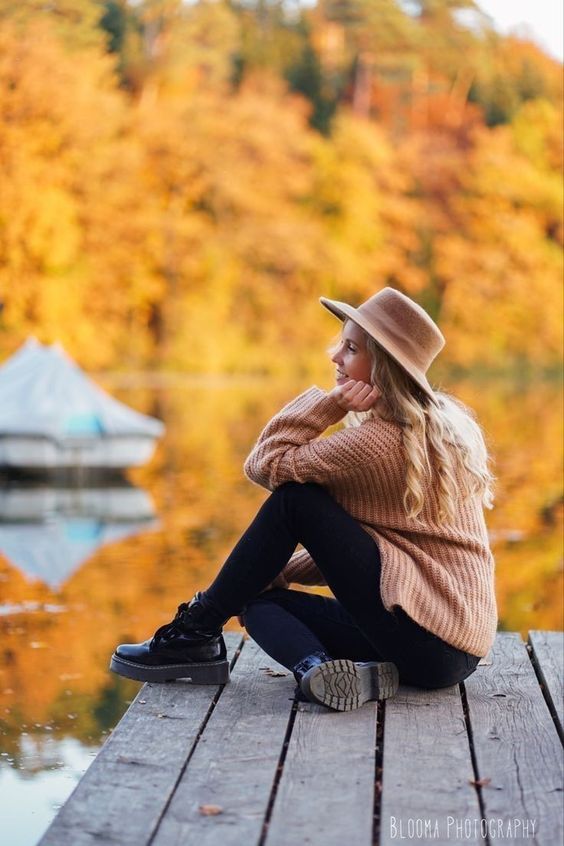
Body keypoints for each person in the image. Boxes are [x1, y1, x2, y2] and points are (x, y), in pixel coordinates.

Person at [110, 287, 498, 712]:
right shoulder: (439, 434)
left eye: (350, 349)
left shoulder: (374, 443)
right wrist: (276, 572)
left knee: (294, 499)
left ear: (383, 366)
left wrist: (328, 406)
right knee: (255, 599)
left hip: (421, 634)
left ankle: (194, 633)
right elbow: (379, 553)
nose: (335, 357)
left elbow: (266, 464)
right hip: (454, 654)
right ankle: (321, 670)